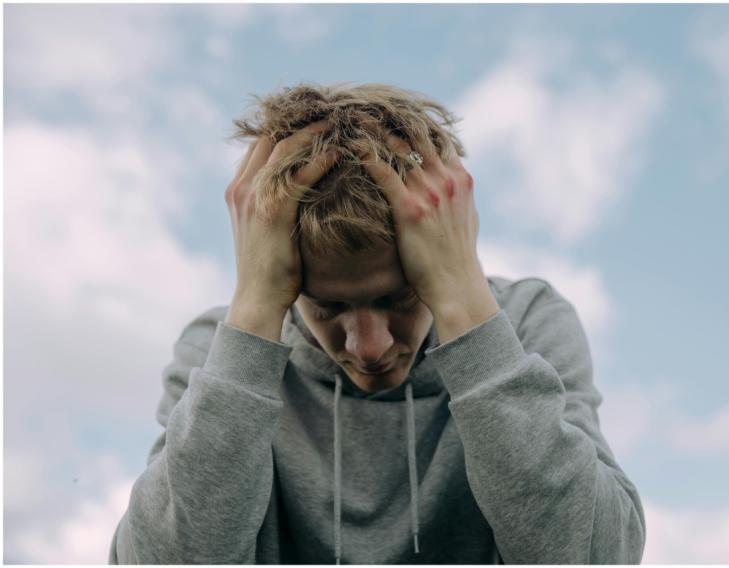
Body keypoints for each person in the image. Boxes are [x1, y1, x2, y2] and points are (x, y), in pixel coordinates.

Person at [108, 82, 646, 564]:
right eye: (327, 307)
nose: (369, 346)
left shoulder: (527, 322)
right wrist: (252, 312)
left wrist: (464, 304)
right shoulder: (220, 351)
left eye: (400, 298)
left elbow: (597, 557)